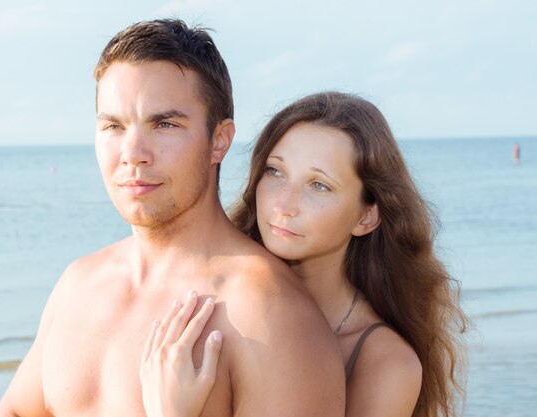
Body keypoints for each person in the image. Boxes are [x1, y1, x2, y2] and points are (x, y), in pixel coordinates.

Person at [0, 20, 346, 417]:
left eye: (164, 124)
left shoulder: (267, 313)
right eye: (113, 126)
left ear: (219, 140)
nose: (133, 152)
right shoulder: (78, 284)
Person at [140, 92, 467, 417]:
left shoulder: (384, 362)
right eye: (275, 172)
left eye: (319, 186)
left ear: (366, 216)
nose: (283, 204)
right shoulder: (205, 304)